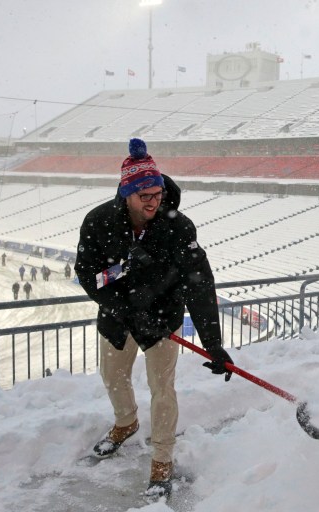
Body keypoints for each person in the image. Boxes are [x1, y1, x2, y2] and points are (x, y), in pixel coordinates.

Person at [75, 138, 232, 499]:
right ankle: (126, 422)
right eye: (143, 194)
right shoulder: (99, 222)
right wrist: (127, 310)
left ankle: (162, 459)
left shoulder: (178, 227)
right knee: (113, 376)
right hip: (117, 317)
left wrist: (214, 345)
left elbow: (199, 284)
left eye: (156, 193)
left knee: (162, 389)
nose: (152, 201)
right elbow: (89, 275)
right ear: (126, 193)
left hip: (162, 320)